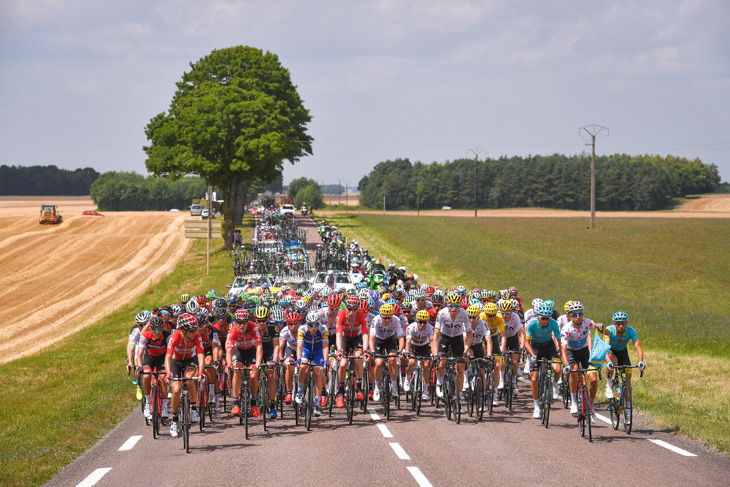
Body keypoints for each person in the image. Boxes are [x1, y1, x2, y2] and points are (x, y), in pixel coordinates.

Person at [559, 301, 604, 424]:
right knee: (573, 371)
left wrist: (600, 327)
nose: (578, 317)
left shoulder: (587, 322)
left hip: (584, 353)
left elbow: (597, 327)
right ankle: (573, 402)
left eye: (580, 313)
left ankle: (592, 408)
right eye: (575, 314)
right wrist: (566, 365)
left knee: (593, 379)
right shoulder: (566, 328)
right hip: (571, 353)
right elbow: (563, 350)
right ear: (570, 316)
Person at [165, 313, 205, 438]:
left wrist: (202, 372)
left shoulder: (197, 336)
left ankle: (193, 408)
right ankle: (175, 420)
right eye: (191, 330)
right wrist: (168, 374)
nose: (195, 332)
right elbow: (168, 357)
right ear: (183, 330)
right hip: (175, 362)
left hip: (190, 360)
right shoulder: (175, 336)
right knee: (176, 389)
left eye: (195, 329)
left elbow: (200, 355)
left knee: (189, 378)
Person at [433, 292, 472, 413]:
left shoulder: (464, 314)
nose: (454, 308)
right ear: (447, 305)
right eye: (451, 305)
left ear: (460, 305)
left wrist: (466, 349)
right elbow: (436, 335)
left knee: (460, 369)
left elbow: (470, 334)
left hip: (457, 339)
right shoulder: (442, 313)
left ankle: (459, 401)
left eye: (456, 305)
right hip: (444, 338)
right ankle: (439, 383)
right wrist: (435, 353)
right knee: (442, 363)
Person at [524, 304, 561, 418]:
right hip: (536, 348)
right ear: (537, 316)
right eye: (542, 318)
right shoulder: (532, 324)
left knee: (557, 369)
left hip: (549, 347)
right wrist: (532, 355)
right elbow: (526, 342)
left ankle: (554, 385)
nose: (545, 321)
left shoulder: (554, 323)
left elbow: (559, 339)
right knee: (534, 378)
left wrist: (559, 350)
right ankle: (536, 406)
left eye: (547, 318)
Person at [226, 308, 263, 418]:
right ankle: (236, 402)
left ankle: (254, 402)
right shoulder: (232, 331)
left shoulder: (254, 327)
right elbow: (229, 350)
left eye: (244, 322)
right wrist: (228, 365)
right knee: (236, 370)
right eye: (239, 323)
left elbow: (259, 347)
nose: (241, 325)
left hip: (251, 351)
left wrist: (258, 364)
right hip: (239, 351)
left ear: (248, 321)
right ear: (235, 322)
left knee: (253, 375)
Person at [335, 295, 369, 407]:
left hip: (356, 339)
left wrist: (365, 350)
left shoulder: (362, 316)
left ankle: (359, 388)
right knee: (343, 363)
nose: (351, 312)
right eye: (349, 308)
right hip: (345, 339)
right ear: (345, 307)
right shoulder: (341, 315)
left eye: (354, 309)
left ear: (358, 308)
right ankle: (340, 391)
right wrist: (339, 350)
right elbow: (339, 334)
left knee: (358, 358)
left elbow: (364, 335)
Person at [604, 311, 646, 399]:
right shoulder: (609, 330)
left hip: (623, 353)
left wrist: (640, 361)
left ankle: (627, 406)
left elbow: (638, 347)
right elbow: (605, 348)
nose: (621, 326)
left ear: (626, 323)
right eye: (618, 323)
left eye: (623, 323)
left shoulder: (631, 331)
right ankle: (608, 385)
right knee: (613, 361)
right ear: (614, 323)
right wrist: (608, 362)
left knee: (627, 380)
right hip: (611, 351)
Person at [295, 310, 330, 418]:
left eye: (315, 324)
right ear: (307, 324)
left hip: (318, 351)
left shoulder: (323, 329)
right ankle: (300, 391)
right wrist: (298, 359)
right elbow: (300, 346)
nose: (313, 327)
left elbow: (325, 346)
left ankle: (317, 404)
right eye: (311, 325)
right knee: (303, 366)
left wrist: (325, 361)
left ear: (319, 324)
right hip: (306, 350)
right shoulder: (302, 329)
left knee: (318, 373)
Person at [136, 316, 171, 419]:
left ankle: (164, 407)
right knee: (146, 377)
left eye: (159, 329)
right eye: (154, 329)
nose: (157, 332)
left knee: (162, 377)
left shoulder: (168, 337)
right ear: (150, 329)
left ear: (163, 328)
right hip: (150, 357)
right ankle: (147, 403)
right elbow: (139, 355)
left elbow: (170, 354)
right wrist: (140, 367)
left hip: (162, 358)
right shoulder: (145, 336)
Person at [368, 303, 404, 402]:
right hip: (378, 340)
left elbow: (401, 338)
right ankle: (376, 388)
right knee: (378, 363)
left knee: (392, 359)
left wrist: (400, 351)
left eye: (389, 318)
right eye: (385, 318)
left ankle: (394, 387)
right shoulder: (376, 320)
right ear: (381, 316)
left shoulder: (396, 320)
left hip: (390, 340)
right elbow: (371, 338)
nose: (387, 320)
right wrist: (372, 351)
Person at [404, 310, 434, 400]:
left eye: (424, 322)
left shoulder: (430, 328)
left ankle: (425, 391)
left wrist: (433, 353)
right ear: (417, 321)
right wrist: (407, 352)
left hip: (424, 346)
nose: (422, 325)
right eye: (420, 322)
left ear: (427, 322)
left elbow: (432, 342)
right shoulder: (411, 327)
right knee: (412, 362)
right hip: (413, 346)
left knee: (426, 365)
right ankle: (406, 379)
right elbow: (408, 341)